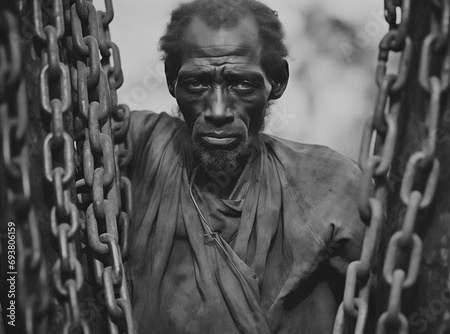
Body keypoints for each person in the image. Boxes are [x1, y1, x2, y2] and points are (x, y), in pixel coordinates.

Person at [125, 0, 365, 332]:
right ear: (172, 81)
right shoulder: (140, 151)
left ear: (276, 82)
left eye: (241, 84)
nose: (219, 110)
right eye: (198, 84)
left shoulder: (329, 186)